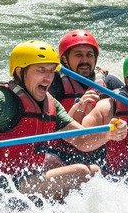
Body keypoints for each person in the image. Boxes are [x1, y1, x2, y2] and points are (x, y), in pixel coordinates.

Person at [0, 41, 127, 201]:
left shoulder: (50, 103)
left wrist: (109, 134)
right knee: (82, 172)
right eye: (41, 70)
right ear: (20, 72)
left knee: (93, 172)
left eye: (51, 70)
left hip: (24, 180)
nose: (48, 77)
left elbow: (81, 140)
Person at [43, 29, 123, 168]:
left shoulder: (109, 82)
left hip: (100, 151)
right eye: (78, 55)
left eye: (89, 55)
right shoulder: (53, 83)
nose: (85, 60)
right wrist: (78, 105)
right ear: (64, 60)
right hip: (61, 152)